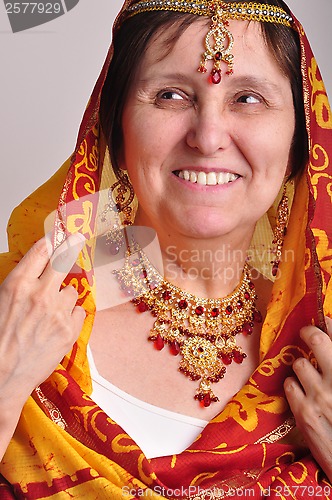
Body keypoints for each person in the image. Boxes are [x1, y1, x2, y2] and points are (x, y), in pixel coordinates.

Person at [0, 0, 331, 497]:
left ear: (297, 148)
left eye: (248, 99)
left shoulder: (320, 342)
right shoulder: (17, 316)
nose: (208, 136)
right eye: (172, 94)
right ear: (113, 133)